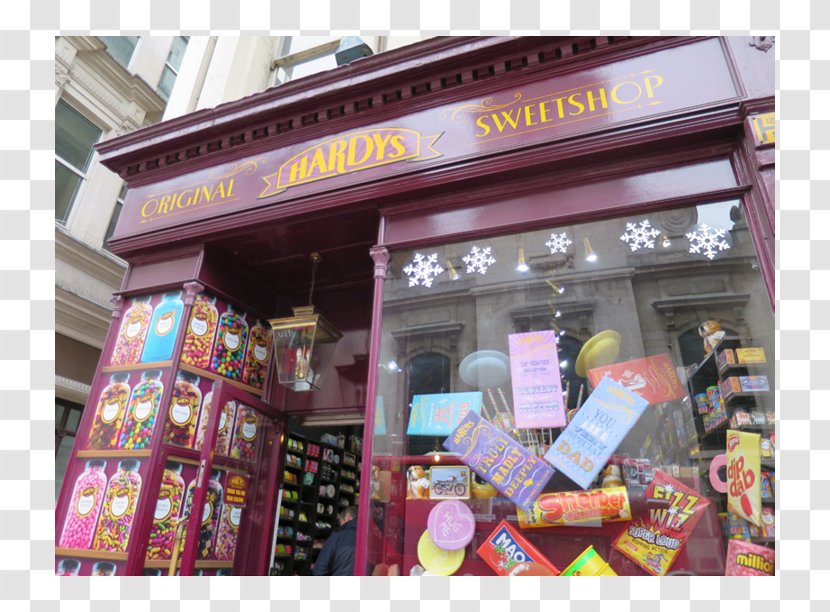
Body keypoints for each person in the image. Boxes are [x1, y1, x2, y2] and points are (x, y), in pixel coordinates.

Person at [312, 505, 357, 576]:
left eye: (340, 522)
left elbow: (320, 568)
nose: (340, 525)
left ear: (347, 517)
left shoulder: (337, 536)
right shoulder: (368, 537)